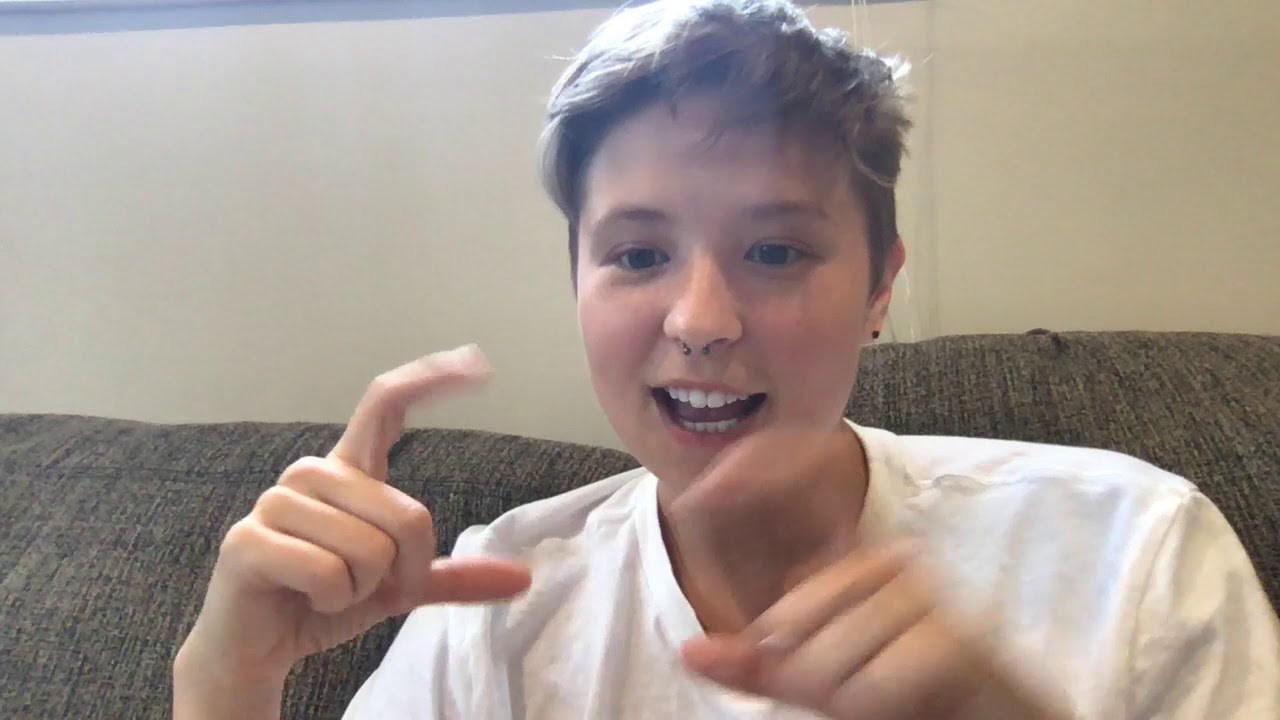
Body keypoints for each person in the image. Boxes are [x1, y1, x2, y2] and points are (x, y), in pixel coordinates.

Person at [172, 1, 1280, 718]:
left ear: (880, 287)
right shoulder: (500, 603)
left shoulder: (1130, 552)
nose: (700, 320)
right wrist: (227, 678)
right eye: (637, 254)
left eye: (775, 251)